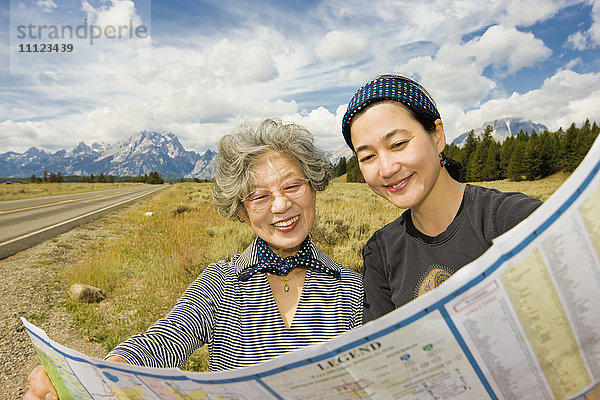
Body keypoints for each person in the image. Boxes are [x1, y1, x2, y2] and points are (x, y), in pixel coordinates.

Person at [25, 118, 364, 399]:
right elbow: (163, 341)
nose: (280, 205)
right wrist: (99, 376)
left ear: (314, 188)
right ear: (242, 212)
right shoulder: (220, 282)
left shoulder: (354, 289)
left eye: (292, 187)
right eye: (259, 196)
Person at [340, 73, 542, 323]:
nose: (386, 169)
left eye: (398, 143)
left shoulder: (515, 219)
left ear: (437, 136)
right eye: (368, 157)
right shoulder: (380, 253)